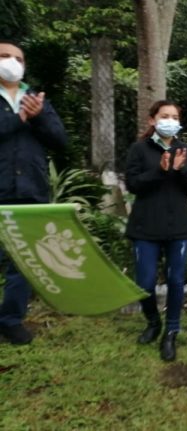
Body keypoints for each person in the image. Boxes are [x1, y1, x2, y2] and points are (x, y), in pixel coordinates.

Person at [0, 40, 67, 345]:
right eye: (4, 56)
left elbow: (60, 140)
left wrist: (39, 116)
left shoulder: (36, 100)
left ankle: (11, 320)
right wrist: (19, 119)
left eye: (18, 58)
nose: (12, 62)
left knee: (23, 263)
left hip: (31, 191)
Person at [125, 100, 187, 361]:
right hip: (145, 227)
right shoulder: (139, 149)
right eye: (164, 116)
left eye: (174, 117)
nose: (170, 121)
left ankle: (171, 331)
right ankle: (153, 322)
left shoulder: (186, 150)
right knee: (145, 283)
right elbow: (133, 184)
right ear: (152, 120)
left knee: (176, 280)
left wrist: (180, 170)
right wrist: (160, 170)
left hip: (178, 228)